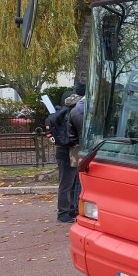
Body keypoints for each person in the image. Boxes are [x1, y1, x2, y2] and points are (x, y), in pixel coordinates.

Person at [54, 82, 84, 222]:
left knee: (69, 182)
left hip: (64, 149)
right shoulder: (78, 110)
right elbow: (75, 134)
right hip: (70, 150)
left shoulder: (68, 106)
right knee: (66, 183)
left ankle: (69, 210)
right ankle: (63, 213)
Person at [69, 82, 85, 211]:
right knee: (81, 179)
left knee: (75, 178)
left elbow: (71, 134)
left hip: (76, 148)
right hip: (86, 148)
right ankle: (76, 206)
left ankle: (73, 206)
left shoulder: (73, 110)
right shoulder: (89, 110)